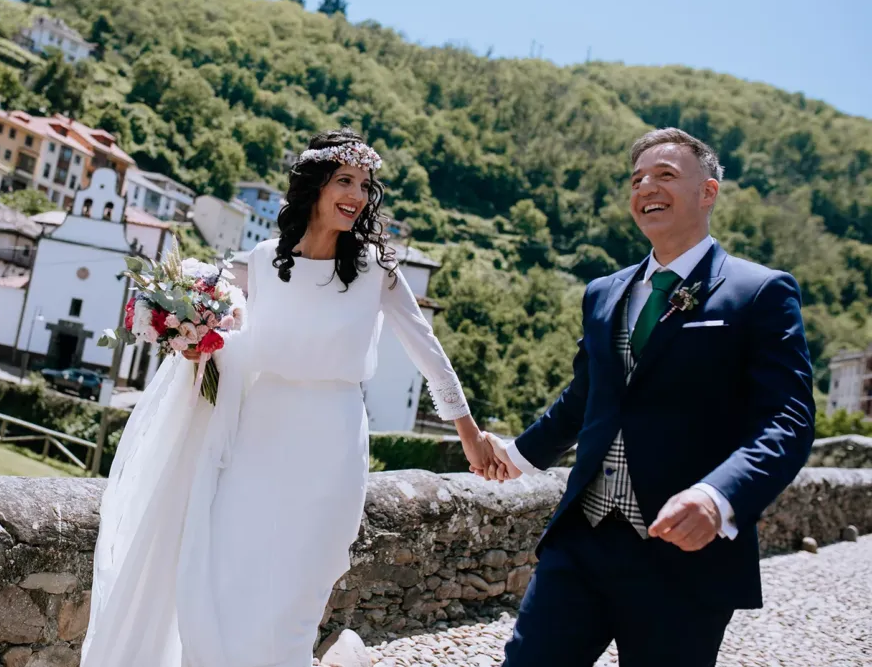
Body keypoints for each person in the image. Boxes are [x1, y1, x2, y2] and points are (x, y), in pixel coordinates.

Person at [81, 128, 505, 667]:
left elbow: (429, 353)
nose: (356, 195)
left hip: (331, 445)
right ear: (314, 186)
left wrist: (469, 434)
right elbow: (226, 335)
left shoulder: (377, 271)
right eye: (344, 180)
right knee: (229, 583)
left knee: (294, 600)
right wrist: (195, 342)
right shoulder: (259, 262)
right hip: (256, 442)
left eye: (365, 184)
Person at [488, 128, 815, 667]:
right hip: (583, 540)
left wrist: (717, 497)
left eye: (664, 175)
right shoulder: (603, 292)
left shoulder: (760, 292)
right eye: (637, 179)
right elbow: (585, 398)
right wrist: (516, 456)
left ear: (708, 192)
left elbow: (788, 420)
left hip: (684, 556)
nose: (646, 187)